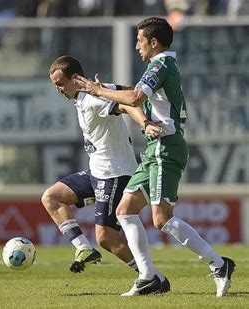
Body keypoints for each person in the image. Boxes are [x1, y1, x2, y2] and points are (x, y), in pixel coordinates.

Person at [73, 17, 235, 297]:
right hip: (154, 149)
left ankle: (219, 265)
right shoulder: (159, 65)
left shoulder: (160, 64)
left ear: (153, 42)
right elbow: (138, 99)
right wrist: (144, 120)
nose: (136, 46)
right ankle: (148, 276)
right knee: (125, 211)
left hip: (166, 148)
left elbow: (135, 97)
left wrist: (97, 90)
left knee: (161, 220)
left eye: (139, 40)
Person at [44, 55, 169, 292]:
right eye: (55, 85)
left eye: (61, 84)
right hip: (97, 172)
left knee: (107, 238)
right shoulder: (93, 93)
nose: (58, 90)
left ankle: (151, 276)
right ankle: (84, 248)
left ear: (76, 79)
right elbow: (132, 92)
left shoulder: (94, 100)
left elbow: (127, 104)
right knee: (52, 197)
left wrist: (144, 122)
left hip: (115, 174)